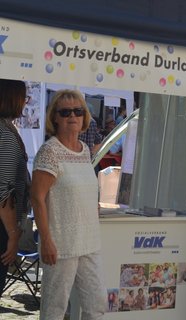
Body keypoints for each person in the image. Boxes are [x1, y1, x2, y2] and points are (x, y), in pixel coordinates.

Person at [30, 89, 106, 320]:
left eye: (78, 111)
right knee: (55, 308)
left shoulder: (84, 151)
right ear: (54, 117)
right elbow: (37, 198)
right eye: (65, 112)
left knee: (97, 304)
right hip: (61, 245)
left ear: (84, 116)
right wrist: (47, 241)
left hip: (89, 241)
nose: (72, 116)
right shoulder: (49, 152)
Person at [0, 79, 30, 297]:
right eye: (24, 98)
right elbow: (4, 190)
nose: (25, 103)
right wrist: (12, 233)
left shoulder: (7, 129)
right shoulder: (6, 136)